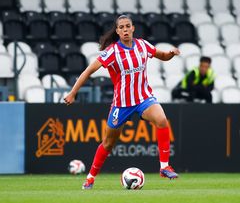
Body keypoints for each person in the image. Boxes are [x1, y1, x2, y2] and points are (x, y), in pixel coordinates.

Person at [64, 14, 180, 190]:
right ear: (117, 31)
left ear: (133, 28)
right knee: (108, 143)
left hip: (143, 99)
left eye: (128, 26)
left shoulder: (142, 45)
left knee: (162, 120)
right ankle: (90, 178)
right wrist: (73, 93)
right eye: (122, 27)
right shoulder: (112, 52)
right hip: (121, 104)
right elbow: (88, 71)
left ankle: (164, 167)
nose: (125, 30)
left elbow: (162, 55)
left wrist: (171, 54)